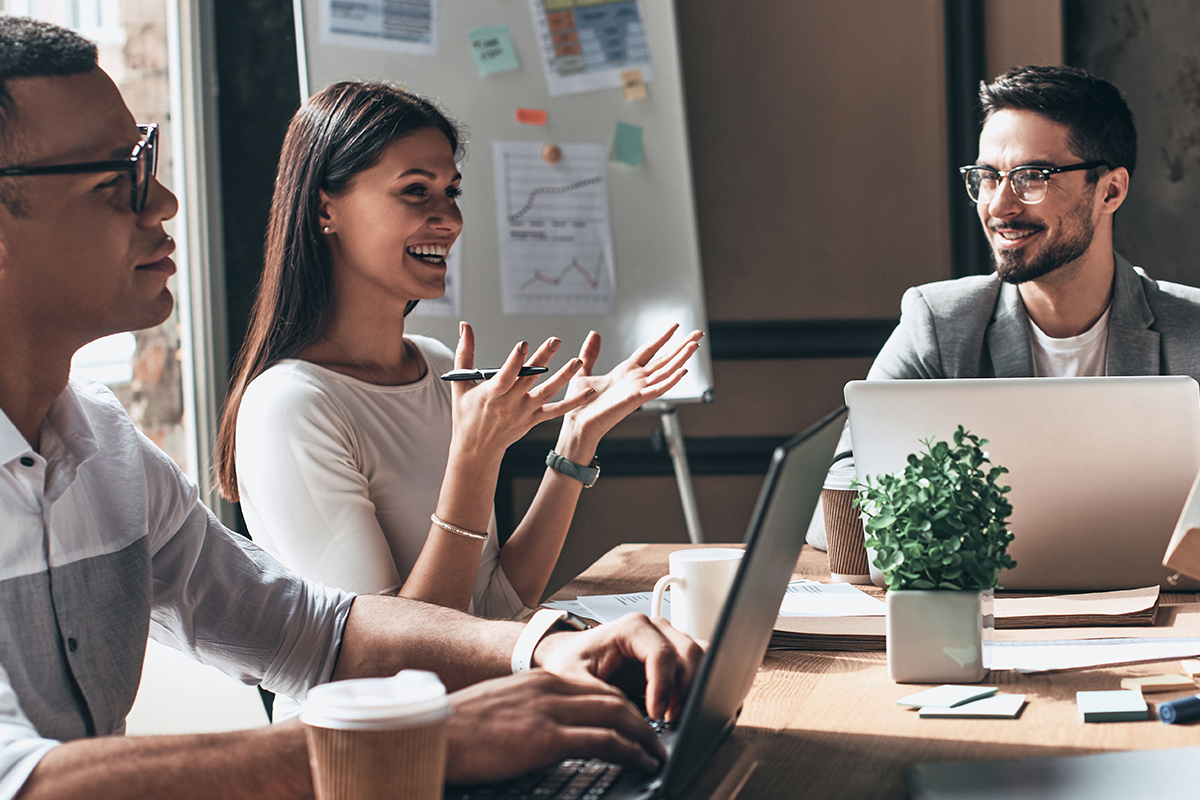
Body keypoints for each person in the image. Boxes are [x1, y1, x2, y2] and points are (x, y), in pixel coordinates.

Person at [0, 16, 701, 799]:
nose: (163, 199)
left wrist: (549, 644)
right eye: (117, 177)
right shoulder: (289, 401)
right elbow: (21, 779)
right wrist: (423, 737)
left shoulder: (105, 450)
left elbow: (318, 630)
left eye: (150, 159)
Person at [213, 81, 701, 621]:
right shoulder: (289, 406)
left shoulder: (442, 367)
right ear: (327, 207)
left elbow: (492, 606)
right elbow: (392, 658)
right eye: (416, 190)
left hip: (480, 699)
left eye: (452, 191)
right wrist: (474, 457)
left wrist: (577, 439)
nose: (449, 218)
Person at [809, 64, 1200, 550]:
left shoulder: (1194, 331)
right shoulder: (939, 323)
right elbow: (837, 498)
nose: (999, 205)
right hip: (987, 614)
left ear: (1110, 190)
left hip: (1166, 617)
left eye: (1032, 177)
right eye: (988, 177)